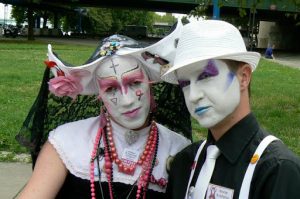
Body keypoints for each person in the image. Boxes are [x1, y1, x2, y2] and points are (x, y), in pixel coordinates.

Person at [19, 23, 190, 199]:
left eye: (135, 83)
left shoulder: (178, 149)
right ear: (98, 94)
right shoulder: (66, 142)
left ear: (150, 82)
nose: (127, 100)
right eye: (110, 89)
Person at [161, 20, 300, 199]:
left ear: (243, 77)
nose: (193, 95)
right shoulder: (185, 163)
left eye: (205, 76)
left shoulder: (277, 172)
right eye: (185, 83)